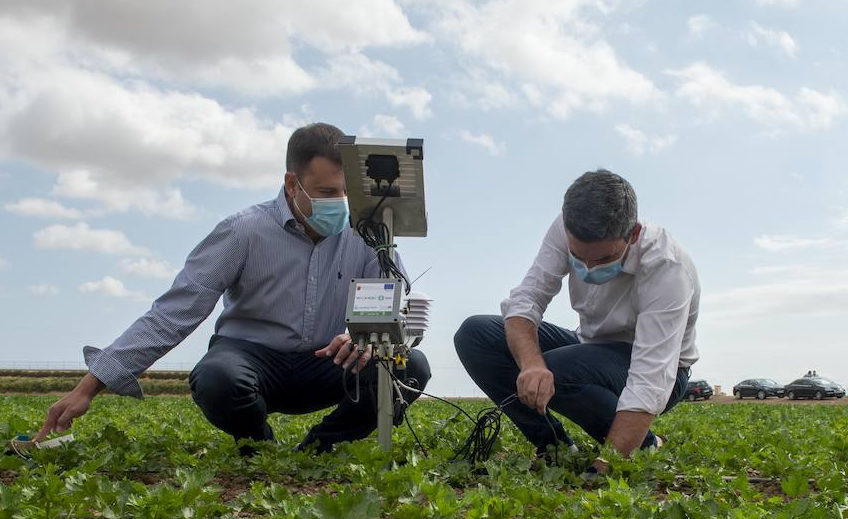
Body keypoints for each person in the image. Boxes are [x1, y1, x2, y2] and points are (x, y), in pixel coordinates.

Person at [35, 122, 430, 453]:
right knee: (218, 378)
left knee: (409, 367)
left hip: (328, 362)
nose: (340, 204)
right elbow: (174, 312)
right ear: (292, 183)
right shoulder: (243, 231)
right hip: (253, 361)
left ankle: (320, 448)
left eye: (346, 192)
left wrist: (357, 334)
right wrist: (88, 388)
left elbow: (396, 306)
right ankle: (259, 447)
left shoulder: (368, 234)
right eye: (327, 193)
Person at [454, 169, 699, 475]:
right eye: (578, 257)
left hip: (664, 369)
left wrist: (603, 469)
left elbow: (650, 378)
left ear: (633, 234)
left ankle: (645, 445)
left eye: (604, 259)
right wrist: (531, 364)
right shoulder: (565, 226)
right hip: (589, 347)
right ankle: (554, 445)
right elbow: (526, 300)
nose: (588, 268)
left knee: (557, 368)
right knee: (476, 335)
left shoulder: (667, 267)